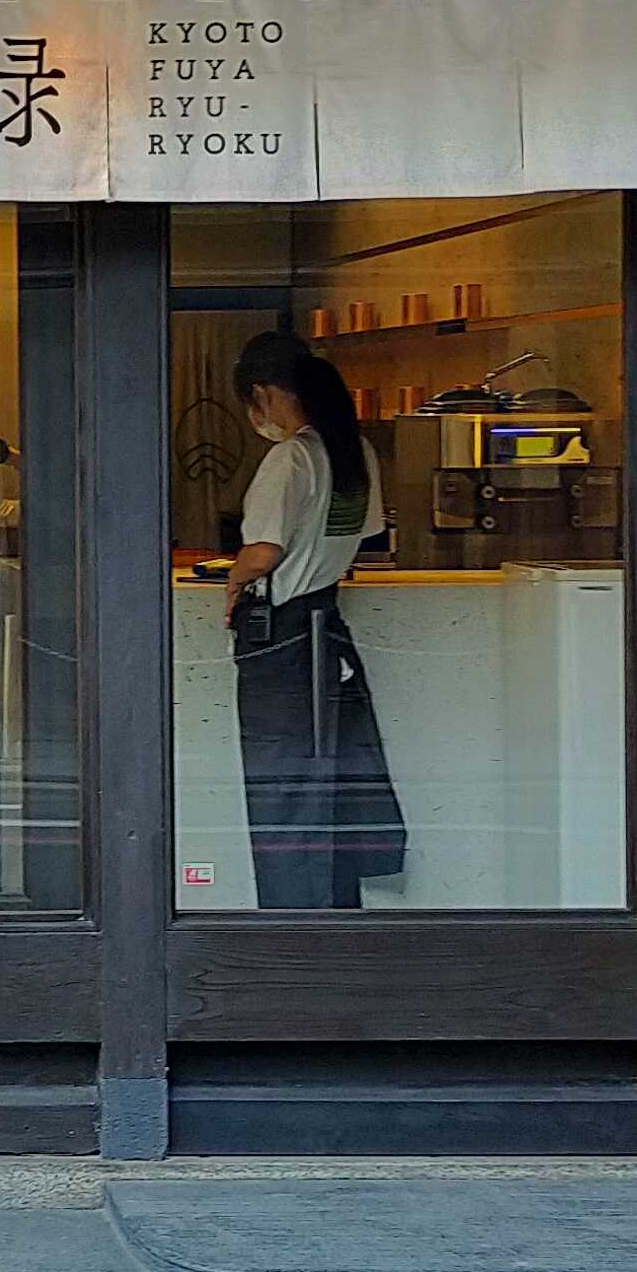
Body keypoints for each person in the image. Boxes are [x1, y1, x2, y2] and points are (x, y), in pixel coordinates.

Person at [224, 326, 407, 912]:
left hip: (281, 638)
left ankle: (290, 920)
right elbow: (365, 533)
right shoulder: (356, 452)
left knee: (281, 789)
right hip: (326, 626)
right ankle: (335, 913)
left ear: (263, 393)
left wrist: (232, 581)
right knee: (329, 782)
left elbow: (264, 551)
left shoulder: (292, 457)